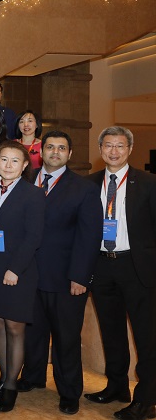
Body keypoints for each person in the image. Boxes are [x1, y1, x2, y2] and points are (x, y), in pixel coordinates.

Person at [17, 131, 102, 415]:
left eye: (61, 148)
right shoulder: (25, 180)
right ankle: (33, 376)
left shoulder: (84, 188)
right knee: (33, 331)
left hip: (66, 278)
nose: (55, 152)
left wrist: (80, 276)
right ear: (41, 152)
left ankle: (69, 391)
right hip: (29, 274)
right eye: (50, 147)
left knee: (66, 338)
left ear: (70, 154)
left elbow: (89, 237)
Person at [85, 126, 156, 420]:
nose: (114, 151)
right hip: (102, 265)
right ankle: (116, 387)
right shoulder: (89, 184)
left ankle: (147, 400)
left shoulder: (149, 182)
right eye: (108, 146)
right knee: (111, 330)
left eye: (120, 146)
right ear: (101, 149)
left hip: (138, 267)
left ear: (129, 150)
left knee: (146, 336)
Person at [0, 141, 44, 412]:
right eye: (3, 159)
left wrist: (15, 269)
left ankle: (10, 386)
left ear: (25, 165)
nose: (8, 165)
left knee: (15, 328)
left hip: (19, 270)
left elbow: (34, 237)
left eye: (15, 161)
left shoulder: (33, 194)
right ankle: (4, 378)